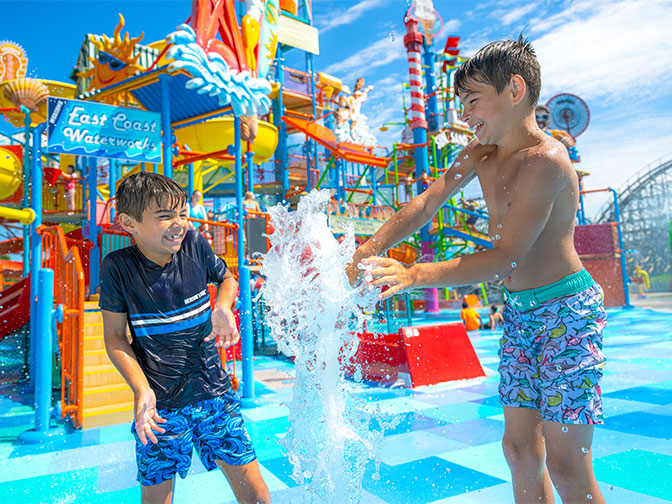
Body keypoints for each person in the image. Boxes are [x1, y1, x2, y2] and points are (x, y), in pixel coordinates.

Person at [348, 35, 606, 504]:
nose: (465, 116)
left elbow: (507, 257)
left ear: (514, 90)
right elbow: (426, 204)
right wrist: (367, 249)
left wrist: (413, 275)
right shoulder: (480, 154)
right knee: (519, 450)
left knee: (567, 463)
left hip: (567, 312)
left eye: (471, 101)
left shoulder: (546, 162)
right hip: (522, 312)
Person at [99, 173, 270, 504]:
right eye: (164, 217)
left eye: (181, 213)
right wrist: (142, 390)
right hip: (160, 408)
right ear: (128, 223)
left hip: (214, 395)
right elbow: (115, 338)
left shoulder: (193, 244)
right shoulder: (117, 268)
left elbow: (227, 279)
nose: (178, 224)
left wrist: (221, 308)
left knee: (257, 496)